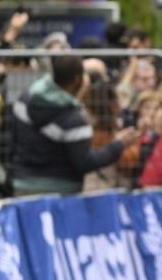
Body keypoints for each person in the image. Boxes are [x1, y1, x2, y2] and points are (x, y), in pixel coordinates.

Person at [9, 55, 138, 195]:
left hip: (22, 184)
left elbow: (13, 140)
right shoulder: (74, 122)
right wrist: (118, 145)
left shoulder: (23, 101)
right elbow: (85, 163)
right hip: (61, 192)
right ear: (78, 79)